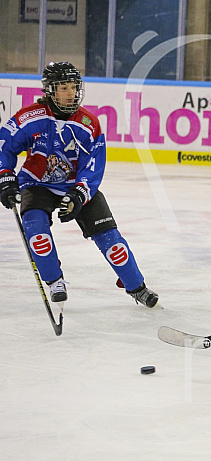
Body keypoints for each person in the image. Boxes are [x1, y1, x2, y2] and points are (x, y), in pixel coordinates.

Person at [0, 62, 159, 308]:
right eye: (63, 88)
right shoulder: (30, 117)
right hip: (37, 184)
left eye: (74, 87)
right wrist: (6, 176)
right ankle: (55, 281)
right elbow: (5, 145)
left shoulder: (89, 123)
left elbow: (94, 165)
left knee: (112, 241)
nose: (71, 93)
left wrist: (78, 194)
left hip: (77, 186)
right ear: (50, 90)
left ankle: (137, 287)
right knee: (37, 233)